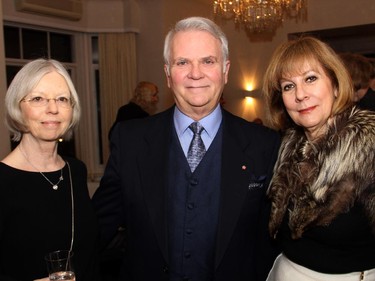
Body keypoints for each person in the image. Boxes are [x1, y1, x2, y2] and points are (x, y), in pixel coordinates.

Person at [92, 16, 281, 281]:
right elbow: (97, 228)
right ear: (168, 74)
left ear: (225, 71)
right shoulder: (131, 140)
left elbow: (273, 241)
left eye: (208, 61)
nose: (195, 73)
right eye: (183, 62)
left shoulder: (265, 143)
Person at [263, 36, 375, 280]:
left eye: (310, 79)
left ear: (335, 85)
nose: (300, 94)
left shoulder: (369, 147)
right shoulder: (284, 146)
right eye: (288, 86)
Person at [0, 59, 100, 281]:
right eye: (38, 98)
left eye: (62, 99)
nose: (53, 109)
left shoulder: (76, 171)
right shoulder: (3, 182)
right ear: (17, 107)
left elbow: (89, 256)